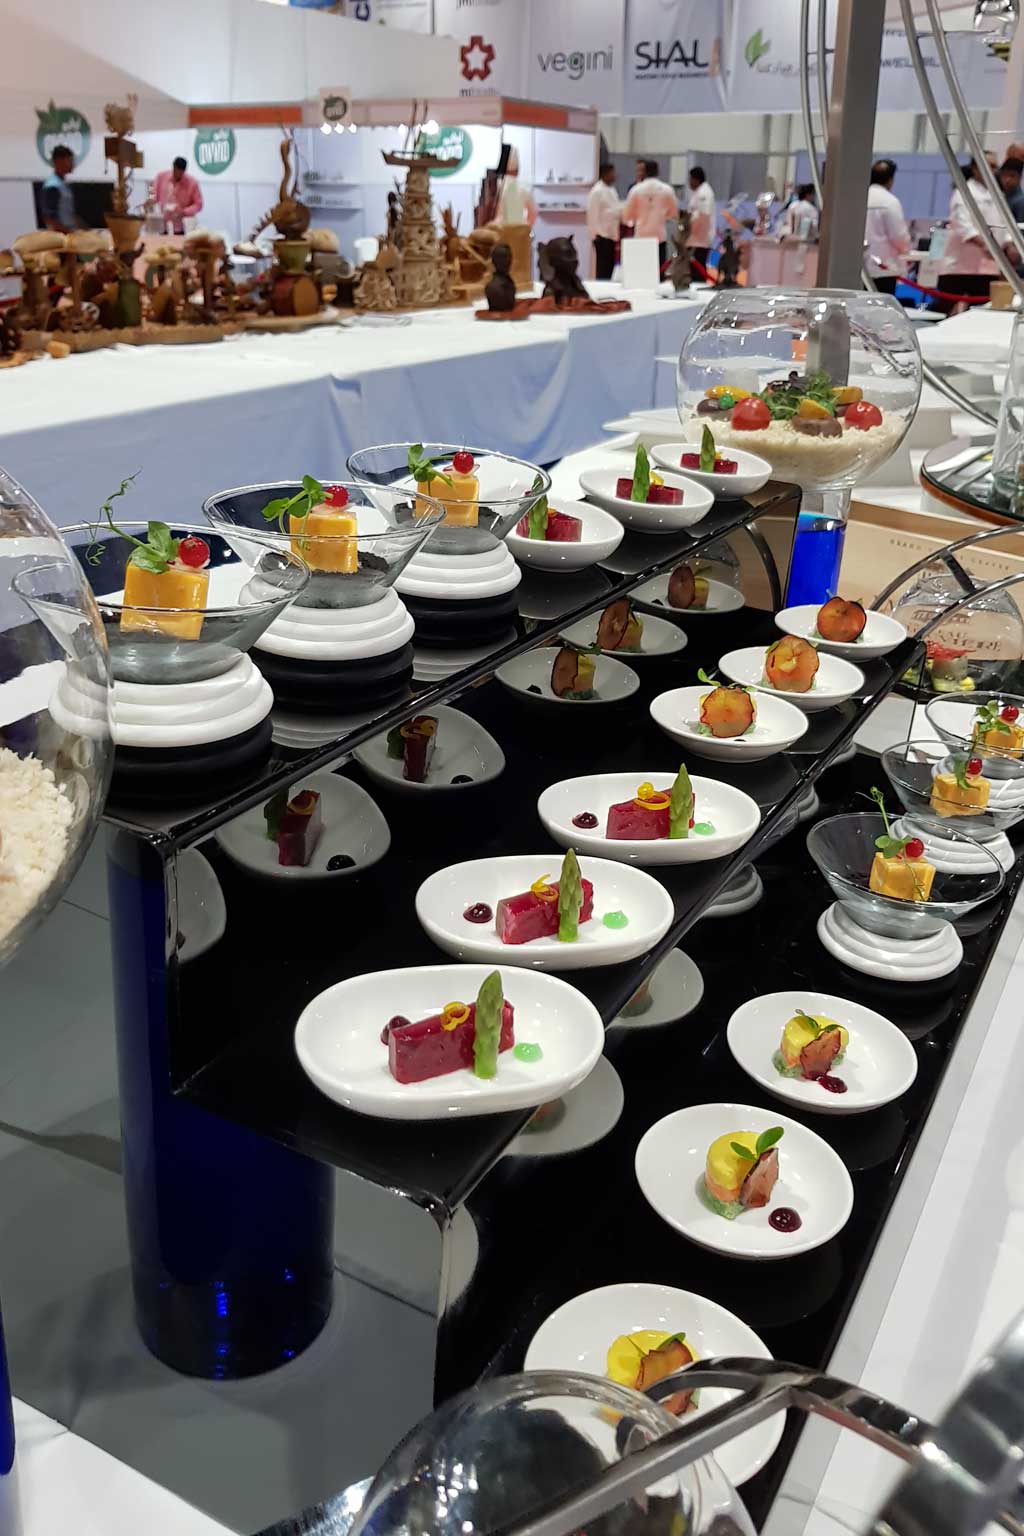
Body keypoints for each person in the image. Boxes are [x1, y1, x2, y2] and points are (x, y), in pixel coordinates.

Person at [939, 152, 1013, 310]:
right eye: (990, 166)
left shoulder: (997, 194)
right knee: (948, 311)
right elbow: (963, 226)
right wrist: (988, 246)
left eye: (995, 167)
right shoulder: (963, 192)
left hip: (989, 268)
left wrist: (1008, 244)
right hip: (960, 268)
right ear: (975, 168)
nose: (994, 170)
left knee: (983, 313)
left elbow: (1004, 224)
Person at [864, 158, 912, 293]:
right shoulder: (890, 201)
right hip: (883, 268)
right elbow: (899, 236)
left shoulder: (858, 197)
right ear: (890, 180)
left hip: (859, 268)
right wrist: (906, 249)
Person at [623, 159, 678, 271]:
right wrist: (662, 216)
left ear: (644, 171)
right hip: (659, 237)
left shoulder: (636, 190)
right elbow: (674, 213)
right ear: (658, 171)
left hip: (641, 236)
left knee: (640, 272)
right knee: (658, 273)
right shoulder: (667, 190)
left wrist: (638, 217)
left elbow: (627, 216)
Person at [149, 156, 203, 236]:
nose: (177, 175)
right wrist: (150, 200)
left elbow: (199, 205)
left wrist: (184, 211)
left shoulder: (192, 183)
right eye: (175, 172)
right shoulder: (161, 177)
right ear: (173, 167)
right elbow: (153, 193)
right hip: (162, 224)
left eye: (180, 173)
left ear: (184, 171)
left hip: (181, 226)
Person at [587, 161, 621, 281]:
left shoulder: (612, 190)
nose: (615, 175)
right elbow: (592, 215)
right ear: (605, 174)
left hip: (611, 235)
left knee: (609, 268)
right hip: (601, 235)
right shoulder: (597, 191)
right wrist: (594, 235)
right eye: (612, 173)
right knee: (602, 269)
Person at [686, 165, 716, 276]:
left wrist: (689, 224)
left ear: (696, 179)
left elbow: (703, 215)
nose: (689, 182)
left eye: (690, 179)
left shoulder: (704, 193)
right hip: (695, 238)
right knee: (693, 269)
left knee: (698, 270)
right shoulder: (698, 192)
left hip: (700, 239)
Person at [496, 148, 537, 229]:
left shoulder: (495, 187)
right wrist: (526, 227)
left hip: (498, 231)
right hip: (518, 231)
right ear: (517, 170)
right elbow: (533, 212)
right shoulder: (522, 187)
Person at [41, 145, 78, 234]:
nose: (73, 164)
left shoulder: (64, 184)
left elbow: (69, 213)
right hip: (60, 235)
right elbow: (49, 219)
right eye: (70, 161)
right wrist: (69, 233)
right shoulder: (52, 185)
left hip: (69, 232)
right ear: (58, 161)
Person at [999, 157, 1024, 225]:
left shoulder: (1021, 202)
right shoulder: (1001, 196)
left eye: (1012, 175)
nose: (1007, 179)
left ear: (1020, 177)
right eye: (1004, 174)